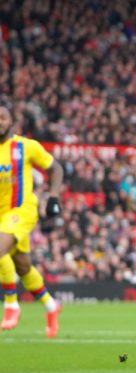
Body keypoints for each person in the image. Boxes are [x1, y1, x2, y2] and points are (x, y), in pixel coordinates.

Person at [0, 104, 64, 338]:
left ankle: (11, 305)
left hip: (22, 209)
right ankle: (51, 306)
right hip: (2, 218)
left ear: (11, 121)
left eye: (3, 117)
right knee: (23, 267)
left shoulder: (25, 146)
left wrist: (53, 197)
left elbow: (55, 168)